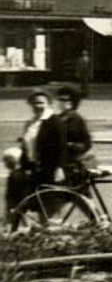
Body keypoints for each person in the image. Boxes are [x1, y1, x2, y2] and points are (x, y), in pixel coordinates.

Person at [6, 89, 54, 225]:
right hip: (32, 167)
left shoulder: (52, 121)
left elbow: (59, 146)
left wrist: (58, 168)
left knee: (43, 203)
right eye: (34, 103)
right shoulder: (30, 123)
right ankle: (16, 221)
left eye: (41, 103)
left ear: (49, 104)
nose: (37, 106)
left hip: (47, 168)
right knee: (15, 181)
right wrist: (23, 165)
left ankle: (39, 227)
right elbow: (26, 148)